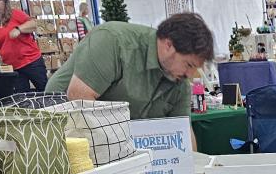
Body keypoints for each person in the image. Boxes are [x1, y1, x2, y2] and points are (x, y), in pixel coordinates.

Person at [46, 13, 214, 119]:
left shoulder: (179, 80)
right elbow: (79, 97)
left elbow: (183, 133)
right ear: (168, 45)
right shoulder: (113, 41)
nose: (190, 75)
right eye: (189, 65)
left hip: (114, 132)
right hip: (62, 118)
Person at [0, 0, 48, 91]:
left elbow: (33, 24)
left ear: (5, 2)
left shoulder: (16, 14)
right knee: (21, 96)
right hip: (13, 67)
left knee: (45, 90)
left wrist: (19, 29)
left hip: (31, 61)